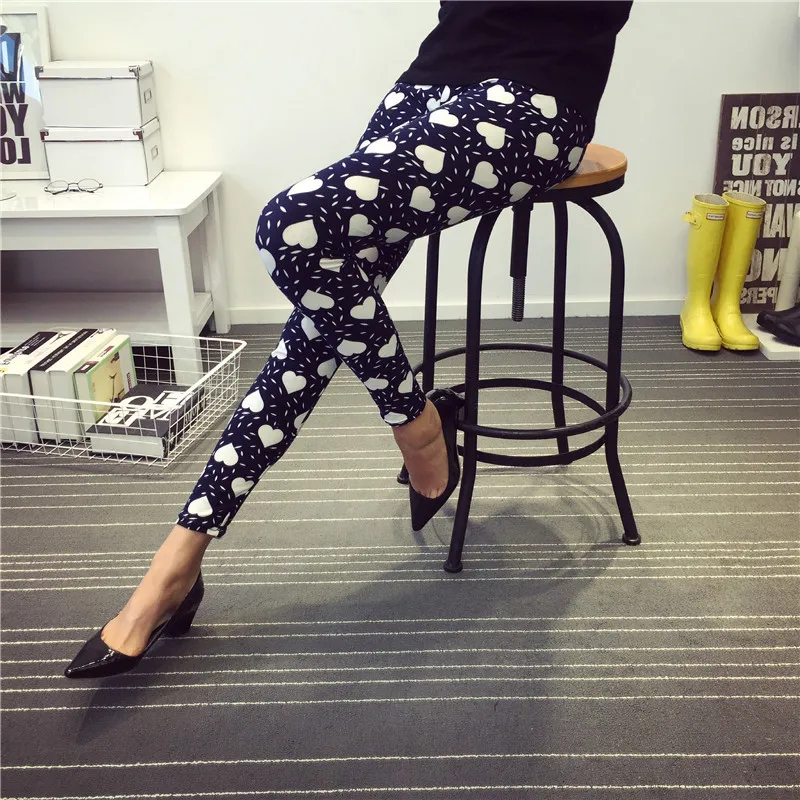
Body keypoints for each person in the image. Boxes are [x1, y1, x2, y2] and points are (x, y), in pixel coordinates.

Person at [65, 0, 633, 678]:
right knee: (317, 324)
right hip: (431, 81)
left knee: (293, 227)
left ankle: (409, 436)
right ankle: (185, 558)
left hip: (538, 100)